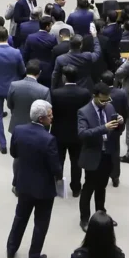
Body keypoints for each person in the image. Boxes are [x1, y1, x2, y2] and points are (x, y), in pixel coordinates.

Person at [6, 100, 60, 258]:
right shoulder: (49, 139)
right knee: (41, 223)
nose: (52, 118)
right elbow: (55, 168)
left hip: (23, 183)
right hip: (44, 189)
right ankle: (34, 256)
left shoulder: (19, 131)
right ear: (42, 118)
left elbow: (14, 153)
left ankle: (11, 248)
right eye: (50, 115)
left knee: (20, 217)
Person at [78, 83, 123, 232]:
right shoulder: (83, 112)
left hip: (108, 154)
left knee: (101, 187)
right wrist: (104, 128)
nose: (105, 103)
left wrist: (120, 123)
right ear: (94, 96)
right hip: (92, 155)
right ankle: (85, 219)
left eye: (107, 100)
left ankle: (101, 215)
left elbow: (117, 130)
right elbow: (83, 134)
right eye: (102, 100)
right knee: (88, 188)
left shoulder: (110, 107)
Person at [51, 65, 91, 198]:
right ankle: (76, 188)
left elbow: (53, 113)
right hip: (78, 133)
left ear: (63, 77)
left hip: (59, 132)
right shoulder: (84, 93)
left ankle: (59, 189)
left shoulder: (56, 93)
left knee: (59, 161)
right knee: (76, 162)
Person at [7, 61, 52, 136]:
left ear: (25, 70)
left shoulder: (14, 85)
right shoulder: (44, 90)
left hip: (17, 126)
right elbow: (47, 112)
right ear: (39, 72)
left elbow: (9, 105)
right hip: (36, 131)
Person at [21, 17, 57, 87]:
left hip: (32, 69)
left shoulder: (30, 37)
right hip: (47, 70)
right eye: (51, 26)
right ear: (47, 27)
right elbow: (54, 54)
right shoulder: (52, 38)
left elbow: (25, 54)